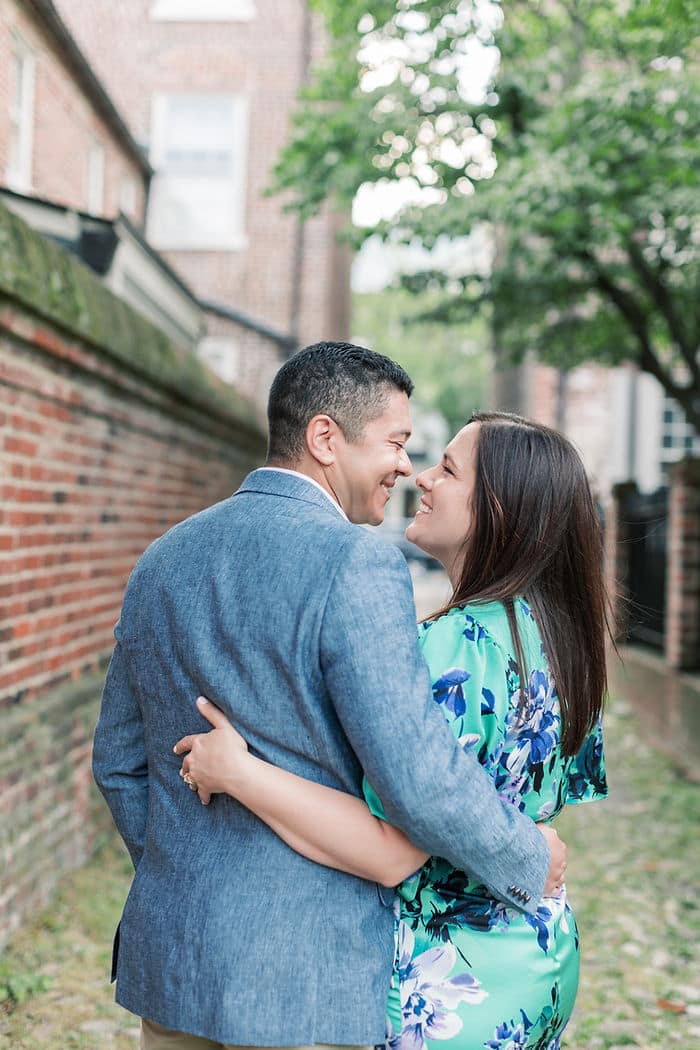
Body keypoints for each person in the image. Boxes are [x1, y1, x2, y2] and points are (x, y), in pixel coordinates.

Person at [92, 344, 565, 1050]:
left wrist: (189, 876)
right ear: (324, 438)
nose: (406, 466)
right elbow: (419, 778)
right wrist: (529, 857)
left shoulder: (162, 558)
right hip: (304, 980)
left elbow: (119, 762)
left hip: (176, 958)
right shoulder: (356, 559)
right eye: (396, 443)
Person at [175, 412, 609, 1050]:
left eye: (449, 469)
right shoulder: (561, 643)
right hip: (538, 958)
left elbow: (387, 853)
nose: (422, 476)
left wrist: (238, 772)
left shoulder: (452, 649)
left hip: (447, 990)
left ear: (496, 509)